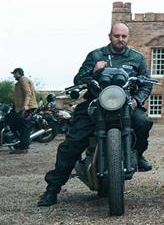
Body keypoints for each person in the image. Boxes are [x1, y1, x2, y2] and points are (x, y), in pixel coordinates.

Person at [37, 23, 154, 206]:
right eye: (117, 36)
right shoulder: (96, 55)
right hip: (96, 103)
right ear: (110, 36)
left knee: (143, 122)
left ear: (128, 37)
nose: (120, 39)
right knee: (73, 142)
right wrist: (93, 71)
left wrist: (137, 101)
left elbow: (146, 83)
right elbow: (78, 80)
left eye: (124, 36)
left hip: (125, 104)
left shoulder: (136, 58)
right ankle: (52, 189)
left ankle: (138, 154)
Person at [8, 67, 37, 154]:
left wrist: (26, 105)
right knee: (12, 122)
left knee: (24, 127)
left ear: (18, 73)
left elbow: (28, 93)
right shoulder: (19, 82)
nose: (13, 75)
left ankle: (23, 148)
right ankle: (21, 144)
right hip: (20, 107)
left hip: (26, 107)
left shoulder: (23, 80)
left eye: (14, 74)